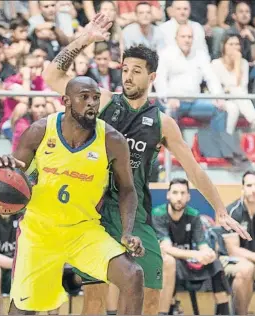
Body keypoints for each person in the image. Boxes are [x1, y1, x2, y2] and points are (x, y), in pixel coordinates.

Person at [43, 13, 251, 315]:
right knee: (94, 299)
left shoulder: (163, 124)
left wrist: (219, 208)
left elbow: (193, 169)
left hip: (136, 216)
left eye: (136, 71)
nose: (127, 76)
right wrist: (85, 39)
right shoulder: (102, 100)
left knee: (151, 295)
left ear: (151, 77)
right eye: (124, 69)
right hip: (95, 213)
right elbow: (52, 76)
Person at [0, 80, 145, 313]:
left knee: (133, 275)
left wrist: (127, 232)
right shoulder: (40, 131)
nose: (91, 103)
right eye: (84, 97)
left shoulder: (112, 140)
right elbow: (16, 173)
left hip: (83, 231)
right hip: (39, 232)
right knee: (22, 310)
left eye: (95, 97)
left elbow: (127, 189)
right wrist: (6, 167)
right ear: (65, 101)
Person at [151, 178, 231, 315]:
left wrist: (208, 253)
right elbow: (166, 248)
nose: (179, 198)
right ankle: (168, 309)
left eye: (183, 193)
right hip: (167, 262)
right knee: (170, 263)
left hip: (189, 260)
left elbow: (202, 244)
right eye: (175, 193)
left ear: (188, 197)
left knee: (216, 264)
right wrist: (196, 254)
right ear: (168, 195)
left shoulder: (193, 215)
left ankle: (223, 311)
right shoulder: (158, 214)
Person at [221, 170, 255, 314]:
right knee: (246, 269)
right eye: (249, 185)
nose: (253, 190)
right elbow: (233, 250)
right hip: (229, 260)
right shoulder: (233, 212)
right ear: (242, 188)